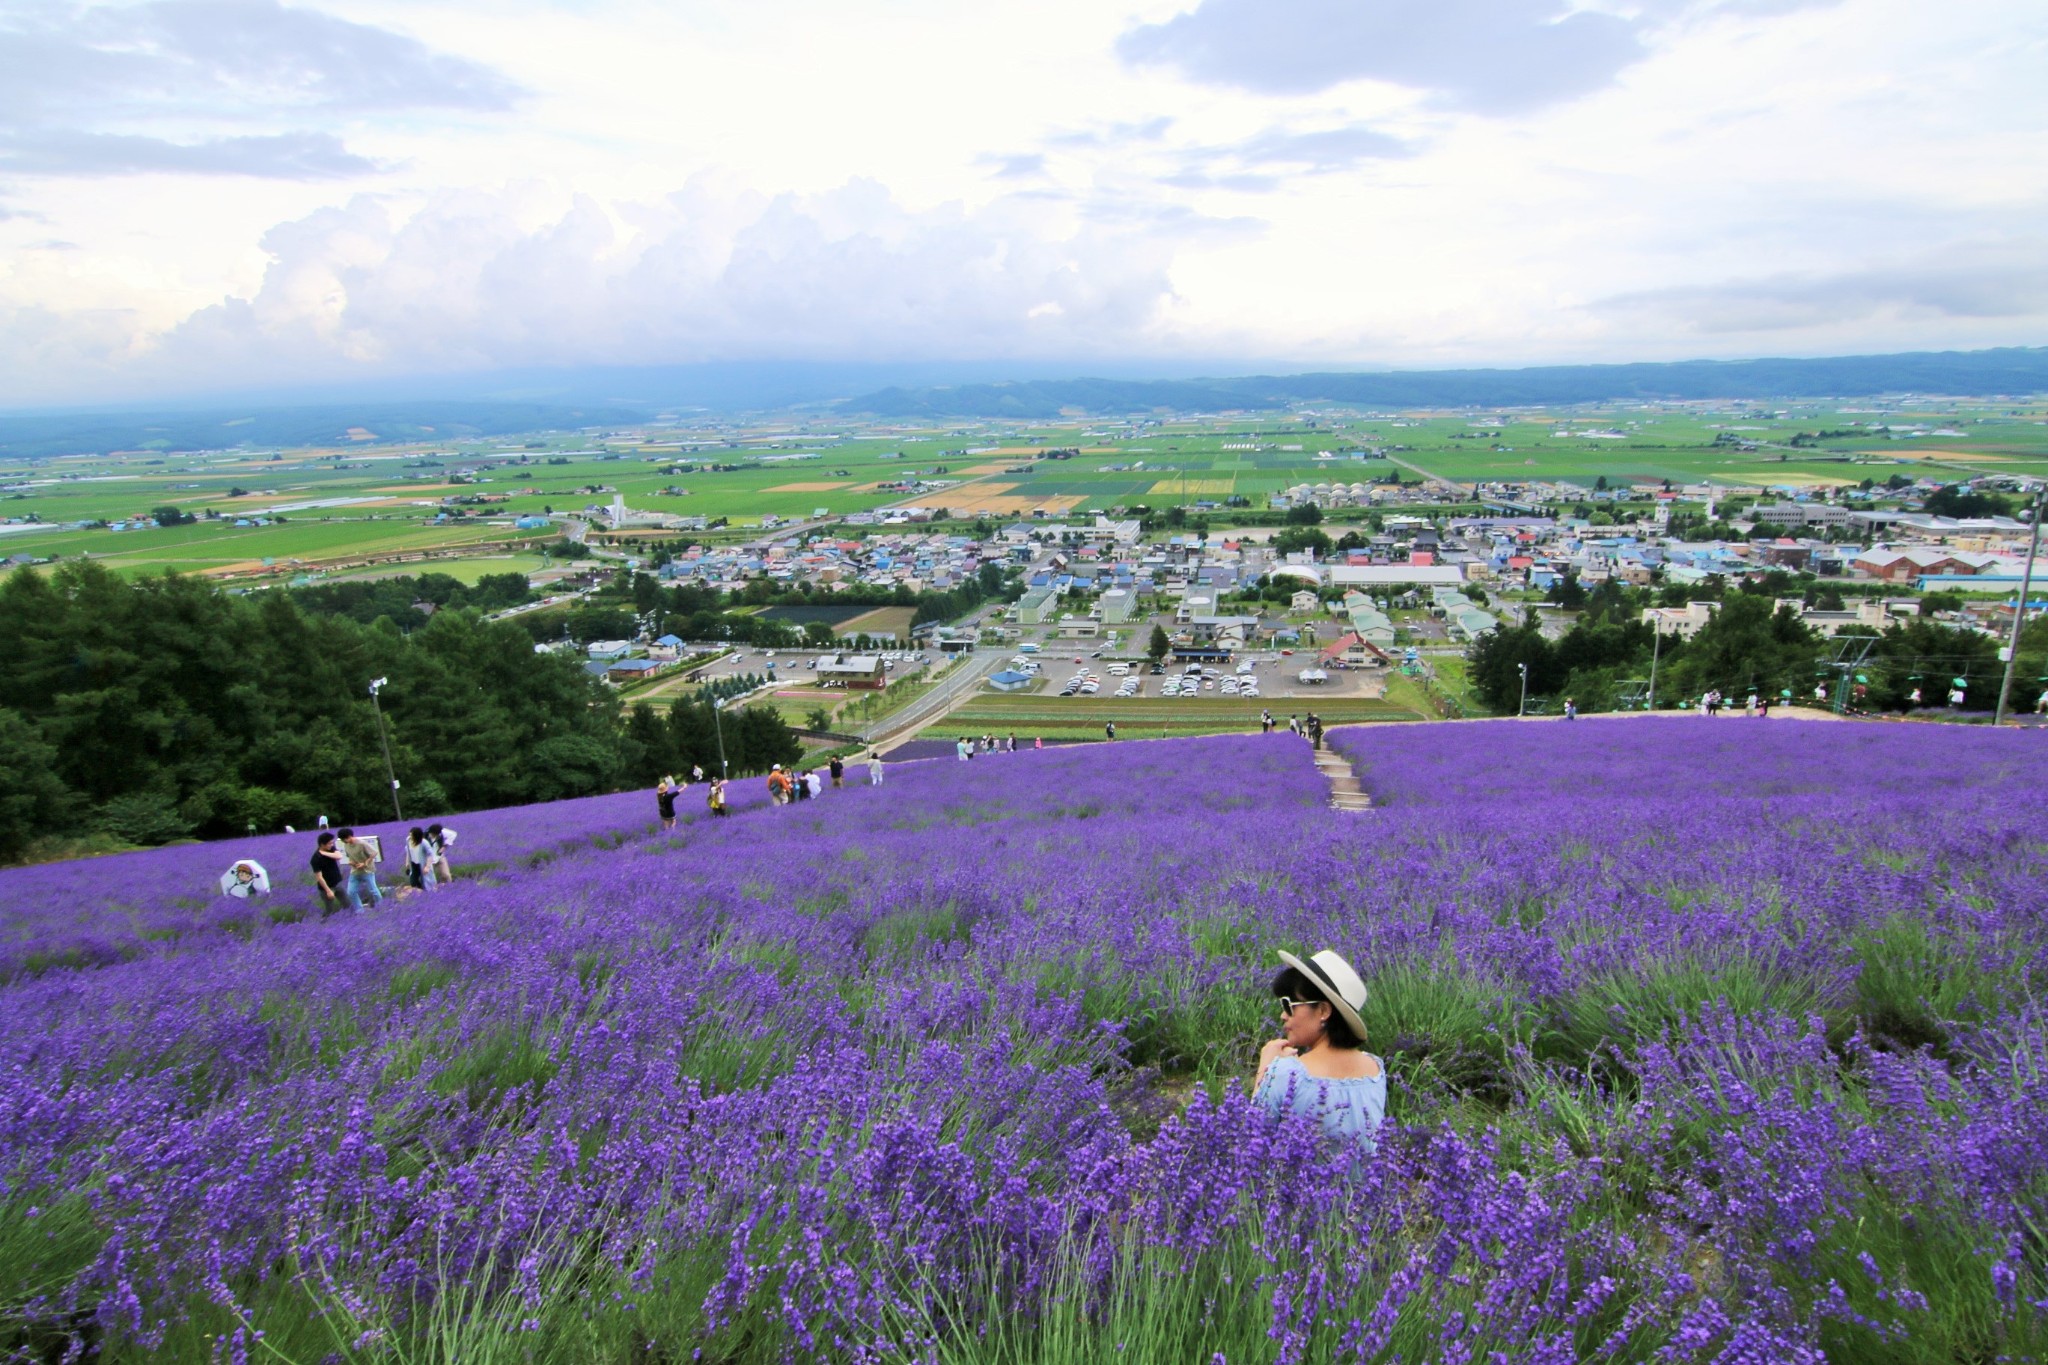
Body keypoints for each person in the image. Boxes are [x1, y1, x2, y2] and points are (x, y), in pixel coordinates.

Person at [1251, 949, 1386, 1153]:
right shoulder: (1376, 1069)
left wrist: (1265, 1071)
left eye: (1288, 1005)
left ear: (1323, 1011)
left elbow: (1252, 1142)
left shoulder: (1286, 1073)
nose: (1282, 1015)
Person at [339, 827, 382, 914]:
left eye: (346, 839)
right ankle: (359, 910)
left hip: (367, 870)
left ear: (350, 836)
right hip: (355, 871)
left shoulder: (361, 843)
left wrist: (365, 863)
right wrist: (351, 862)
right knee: (351, 891)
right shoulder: (346, 845)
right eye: (343, 840)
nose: (345, 841)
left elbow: (374, 853)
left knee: (373, 890)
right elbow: (349, 856)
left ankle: (382, 907)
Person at [309, 832, 346, 916]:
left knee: (347, 904)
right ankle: (325, 925)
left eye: (332, 843)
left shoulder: (331, 848)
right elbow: (319, 877)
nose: (332, 845)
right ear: (322, 844)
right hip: (325, 887)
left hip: (337, 882)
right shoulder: (315, 859)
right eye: (330, 843)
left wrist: (324, 853)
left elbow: (339, 856)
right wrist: (328, 891)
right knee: (329, 910)